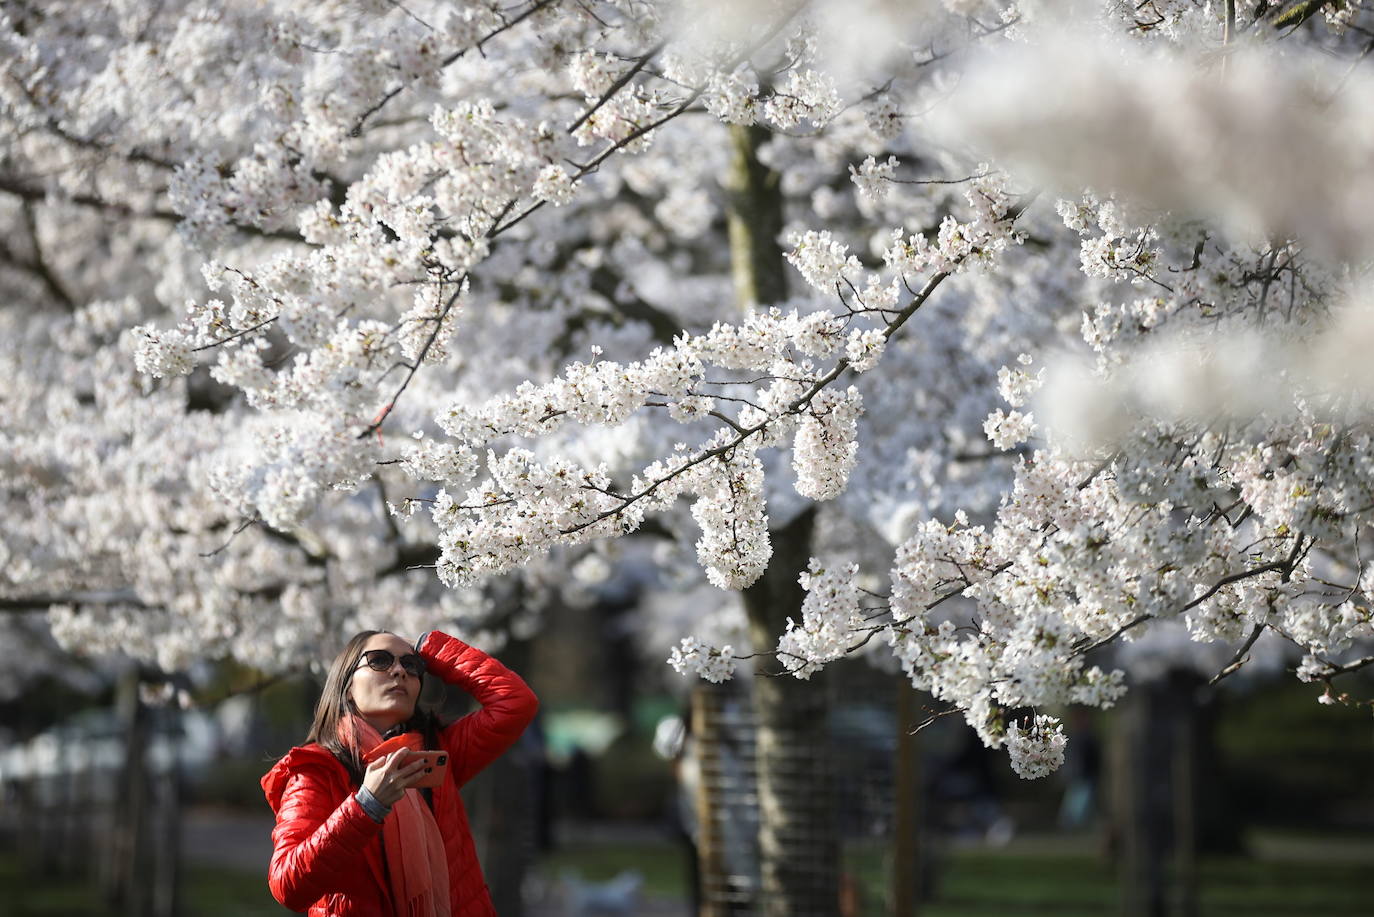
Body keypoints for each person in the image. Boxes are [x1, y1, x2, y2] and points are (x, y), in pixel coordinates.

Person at [261, 629, 538, 917]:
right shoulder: (315, 771)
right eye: (379, 660)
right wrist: (366, 805)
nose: (399, 671)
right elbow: (287, 886)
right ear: (347, 685)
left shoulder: (436, 753)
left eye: (411, 665)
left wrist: (429, 646)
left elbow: (515, 702)